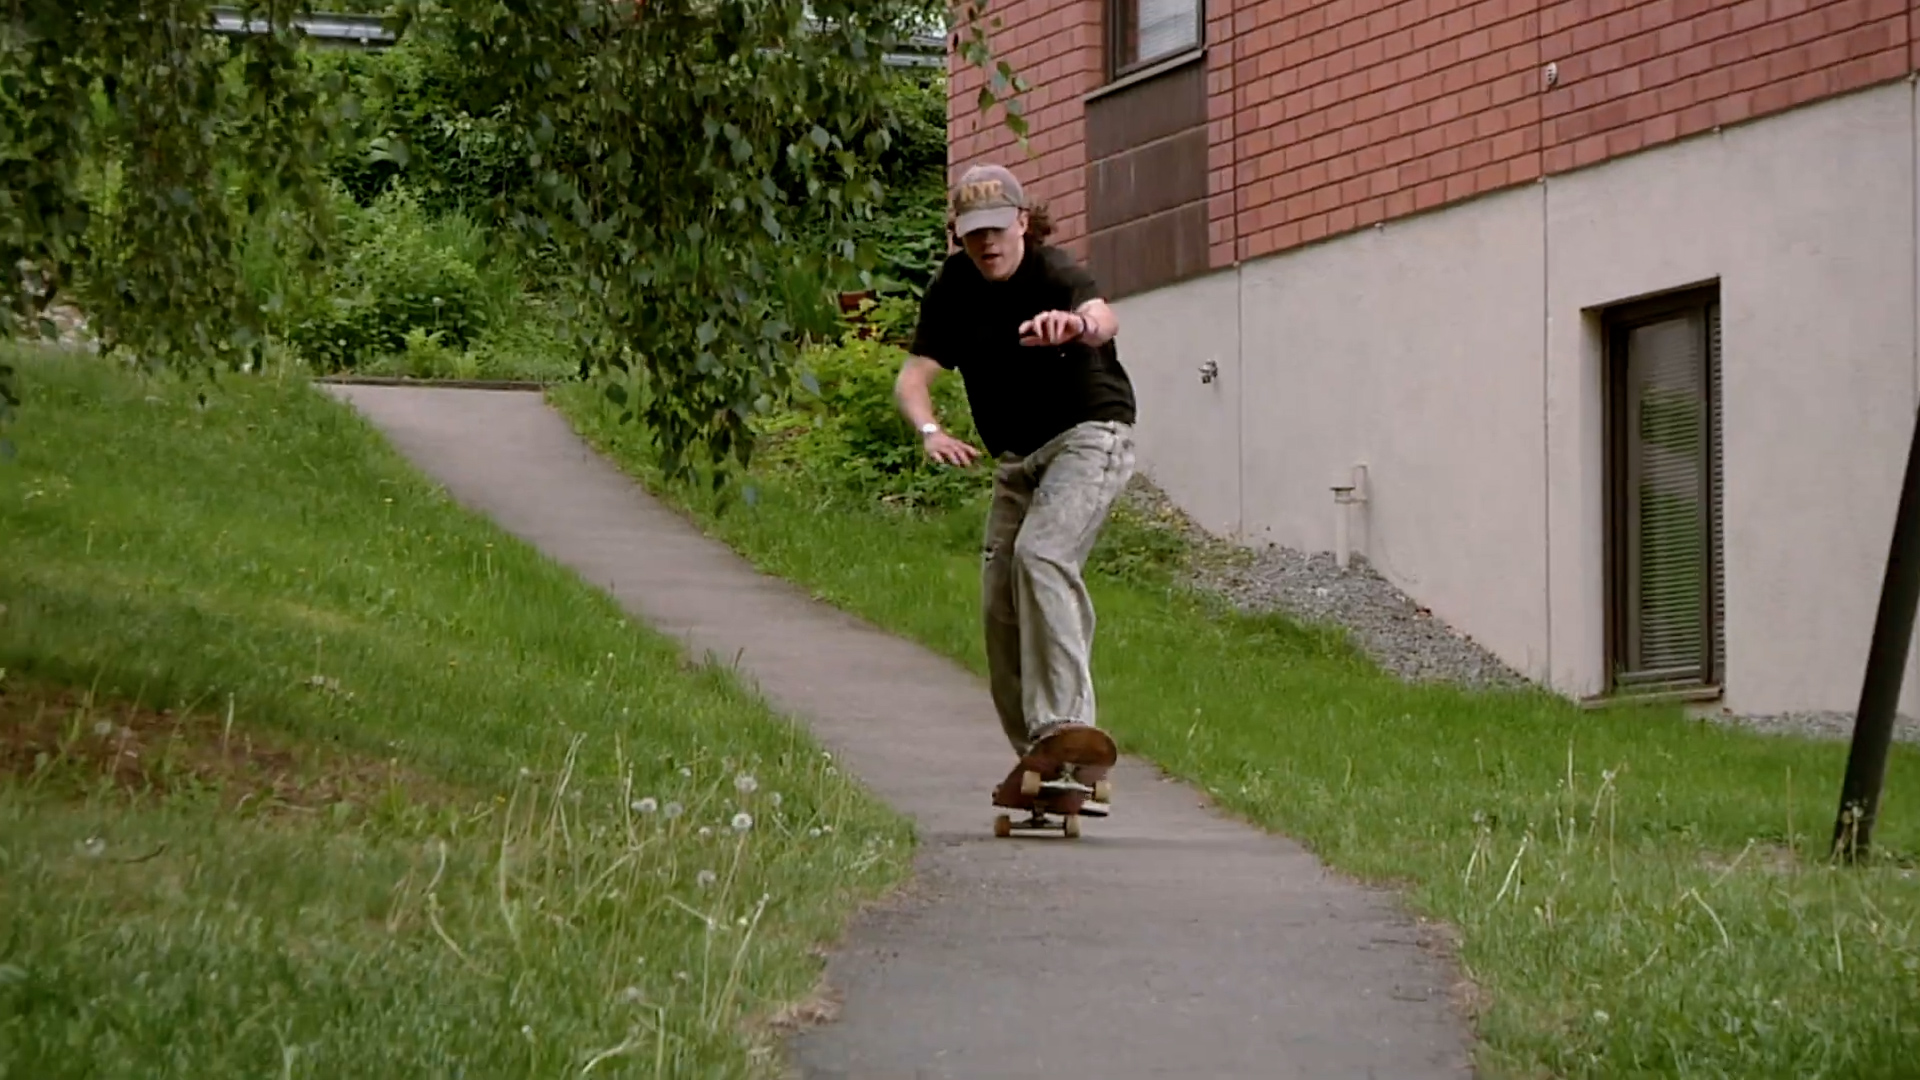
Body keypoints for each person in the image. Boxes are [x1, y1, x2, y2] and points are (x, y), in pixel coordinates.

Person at [892, 162, 1138, 783]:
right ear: (958, 233)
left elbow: (1103, 317)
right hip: (1017, 459)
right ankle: (1041, 755)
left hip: (1089, 436)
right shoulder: (952, 287)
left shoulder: (1054, 272)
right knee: (1000, 603)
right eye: (974, 233)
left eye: (997, 230)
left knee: (1042, 555)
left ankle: (1069, 728)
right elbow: (913, 378)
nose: (987, 245)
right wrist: (931, 431)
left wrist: (1077, 326)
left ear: (1022, 223)